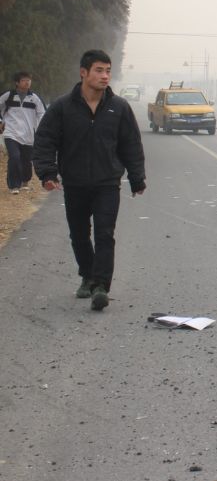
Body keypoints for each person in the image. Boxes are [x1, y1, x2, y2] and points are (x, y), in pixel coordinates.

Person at [33, 50, 146, 311]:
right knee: (79, 235)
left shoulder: (118, 108)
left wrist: (137, 177)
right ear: (83, 72)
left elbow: (131, 144)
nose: (105, 76)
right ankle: (88, 275)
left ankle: (100, 287)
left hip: (108, 183)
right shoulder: (62, 107)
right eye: (98, 70)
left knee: (105, 234)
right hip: (75, 183)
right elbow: (46, 140)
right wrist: (47, 174)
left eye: (107, 70)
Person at [1, 71, 46, 194]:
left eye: (29, 80)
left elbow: (42, 113)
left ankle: (25, 181)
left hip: (28, 135)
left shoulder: (34, 98)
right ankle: (14, 185)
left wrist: (40, 129)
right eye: (24, 80)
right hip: (11, 133)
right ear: (17, 82)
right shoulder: (9, 95)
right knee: (14, 157)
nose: (27, 82)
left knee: (26, 160)